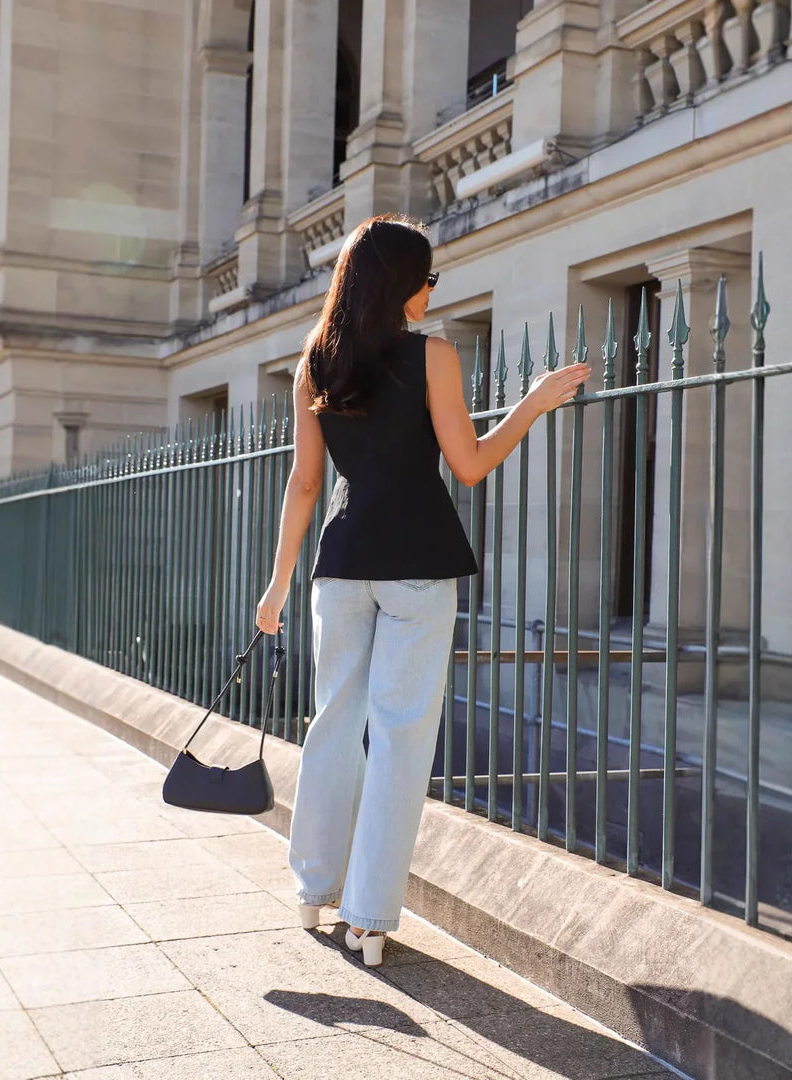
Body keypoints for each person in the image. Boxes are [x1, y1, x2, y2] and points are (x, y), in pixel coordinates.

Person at [255, 214, 591, 967]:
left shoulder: (316, 362)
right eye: (429, 279)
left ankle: (313, 890)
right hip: (416, 564)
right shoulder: (434, 357)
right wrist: (533, 403)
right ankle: (370, 920)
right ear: (404, 284)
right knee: (400, 739)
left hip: (339, 568)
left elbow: (306, 482)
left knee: (333, 725)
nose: (432, 292)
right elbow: (467, 465)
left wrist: (278, 582)